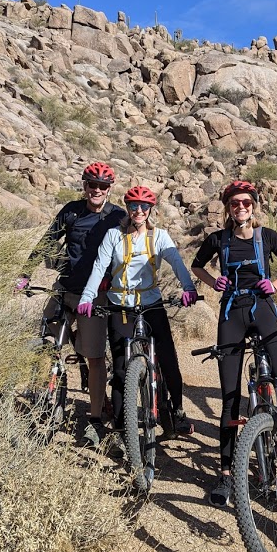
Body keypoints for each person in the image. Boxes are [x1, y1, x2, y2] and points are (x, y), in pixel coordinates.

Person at [191, 180, 277, 508]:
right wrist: (213, 282)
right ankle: (226, 473)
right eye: (235, 203)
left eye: (246, 203)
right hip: (231, 312)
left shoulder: (267, 237)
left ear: (254, 205)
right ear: (228, 208)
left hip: (263, 309)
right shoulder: (218, 239)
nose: (241, 208)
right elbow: (197, 265)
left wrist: (275, 284)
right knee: (229, 396)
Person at [77, 184, 198, 446]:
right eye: (134, 206)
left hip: (151, 303)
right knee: (121, 369)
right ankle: (122, 430)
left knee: (168, 360)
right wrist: (87, 297)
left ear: (150, 209)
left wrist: (188, 287)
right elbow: (100, 266)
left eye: (144, 206)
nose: (139, 210)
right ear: (128, 208)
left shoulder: (159, 236)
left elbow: (176, 261)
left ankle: (176, 410)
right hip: (120, 306)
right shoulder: (113, 235)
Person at [16, 162, 126, 446]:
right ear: (85, 186)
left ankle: (95, 420)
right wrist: (25, 274)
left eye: (103, 186)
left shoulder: (117, 217)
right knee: (46, 343)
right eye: (92, 185)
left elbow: (132, 249)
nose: (97, 190)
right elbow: (48, 241)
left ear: (109, 189)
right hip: (65, 288)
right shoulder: (71, 211)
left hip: (96, 295)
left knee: (94, 356)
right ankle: (47, 397)